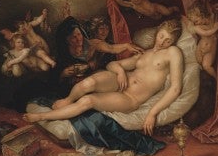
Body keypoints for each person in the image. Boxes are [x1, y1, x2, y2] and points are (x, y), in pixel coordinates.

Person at [25, 18, 185, 136]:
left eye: (167, 40)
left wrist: (152, 113)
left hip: (130, 98)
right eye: (161, 36)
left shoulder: (173, 52)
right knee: (90, 82)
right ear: (158, 33)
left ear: (173, 42)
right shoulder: (144, 53)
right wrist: (121, 72)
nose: (162, 41)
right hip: (120, 82)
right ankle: (68, 100)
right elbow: (112, 66)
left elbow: (175, 88)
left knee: (88, 101)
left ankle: (42, 116)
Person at [184, 3, 218, 78]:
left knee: (206, 66)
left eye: (196, 21)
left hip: (211, 48)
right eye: (194, 22)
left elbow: (213, 15)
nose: (195, 23)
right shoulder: (197, 27)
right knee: (199, 63)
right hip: (201, 48)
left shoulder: (211, 19)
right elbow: (206, 33)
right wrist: (215, 28)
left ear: (201, 15)